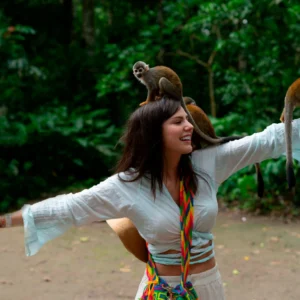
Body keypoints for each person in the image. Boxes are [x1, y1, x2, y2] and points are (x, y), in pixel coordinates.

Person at [1, 96, 300, 300]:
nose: (189, 127)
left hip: (207, 286)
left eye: (188, 120)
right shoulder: (128, 184)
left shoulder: (208, 162)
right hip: (160, 289)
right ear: (154, 134)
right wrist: (5, 220)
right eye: (178, 122)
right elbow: (70, 206)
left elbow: (270, 139)